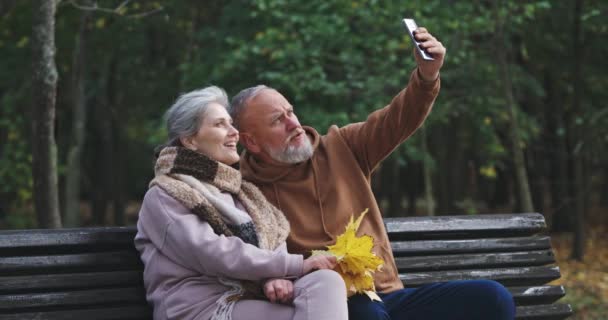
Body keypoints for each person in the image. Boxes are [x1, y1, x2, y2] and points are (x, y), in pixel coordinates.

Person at [229, 27, 516, 320]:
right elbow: (240, 260)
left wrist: (427, 76)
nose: (294, 124)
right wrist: (270, 280)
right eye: (278, 120)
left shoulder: (342, 146)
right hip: (331, 306)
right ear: (250, 140)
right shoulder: (241, 191)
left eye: (291, 112)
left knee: (493, 298)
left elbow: (397, 119)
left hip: (389, 296)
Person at [134, 86, 348, 320]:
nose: (234, 132)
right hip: (202, 308)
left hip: (248, 298)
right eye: (219, 124)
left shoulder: (241, 192)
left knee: (325, 281)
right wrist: (293, 265)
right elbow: (211, 253)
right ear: (190, 140)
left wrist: (275, 276)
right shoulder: (165, 195)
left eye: (231, 123)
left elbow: (271, 235)